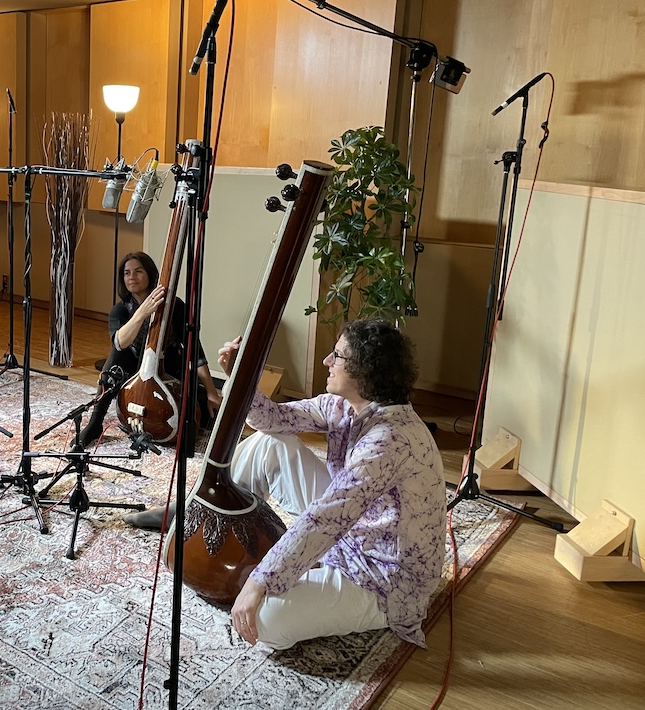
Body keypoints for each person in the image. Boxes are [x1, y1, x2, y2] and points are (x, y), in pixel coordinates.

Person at [132, 318, 446, 652]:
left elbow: (327, 518)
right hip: (356, 528)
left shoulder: (390, 440)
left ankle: (279, 573)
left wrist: (259, 581)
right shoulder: (345, 405)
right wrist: (242, 376)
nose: (327, 361)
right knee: (269, 444)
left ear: (365, 372)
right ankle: (208, 518)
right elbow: (274, 420)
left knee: (263, 621)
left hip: (382, 574)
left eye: (337, 356)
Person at [75, 251, 221, 448]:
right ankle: (95, 423)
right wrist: (142, 312)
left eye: (138, 271)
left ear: (150, 274)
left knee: (203, 415)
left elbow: (195, 350)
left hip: (168, 367)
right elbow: (120, 342)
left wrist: (212, 392)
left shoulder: (175, 306)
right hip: (133, 369)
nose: (131, 277)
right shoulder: (120, 310)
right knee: (116, 355)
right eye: (127, 273)